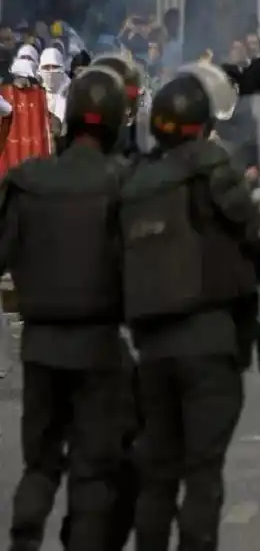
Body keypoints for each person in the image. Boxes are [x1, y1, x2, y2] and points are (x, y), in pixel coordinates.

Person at [121, 63, 260, 551]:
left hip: (151, 347)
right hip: (210, 341)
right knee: (202, 474)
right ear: (204, 124)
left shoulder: (135, 183)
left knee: (158, 471)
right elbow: (254, 231)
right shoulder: (214, 166)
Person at [1, 64, 132, 551]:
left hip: (39, 347)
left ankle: (24, 541)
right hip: (99, 350)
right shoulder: (125, 183)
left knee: (40, 465)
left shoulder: (26, 181)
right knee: (93, 472)